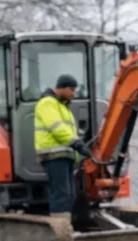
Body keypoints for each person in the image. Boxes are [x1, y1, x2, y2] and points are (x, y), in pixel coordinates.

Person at [33, 74, 93, 219]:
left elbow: (68, 132)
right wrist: (77, 144)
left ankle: (64, 228)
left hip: (64, 156)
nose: (73, 93)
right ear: (62, 88)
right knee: (61, 194)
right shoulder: (47, 103)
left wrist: (78, 155)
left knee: (70, 195)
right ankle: (59, 230)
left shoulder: (63, 107)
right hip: (54, 155)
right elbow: (57, 128)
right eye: (71, 89)